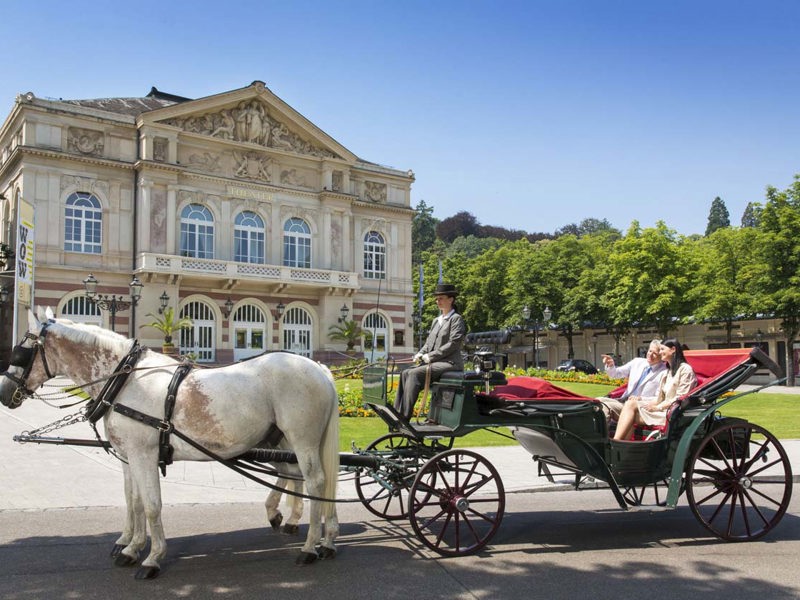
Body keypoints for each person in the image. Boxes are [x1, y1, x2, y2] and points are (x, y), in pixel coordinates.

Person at [394, 283, 466, 420]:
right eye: (436, 299)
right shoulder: (436, 321)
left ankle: (404, 417)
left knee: (415, 373)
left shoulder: (456, 319)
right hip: (436, 362)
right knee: (405, 373)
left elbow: (453, 344)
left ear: (451, 299)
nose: (437, 301)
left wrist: (431, 356)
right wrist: (420, 353)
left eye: (441, 298)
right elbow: (428, 343)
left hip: (450, 363)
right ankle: (397, 413)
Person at [613, 338, 697, 441]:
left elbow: (680, 398)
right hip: (662, 408)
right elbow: (659, 398)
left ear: (673, 349)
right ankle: (621, 445)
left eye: (662, 349)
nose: (660, 352)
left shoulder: (685, 370)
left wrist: (657, 407)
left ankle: (617, 443)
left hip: (672, 413)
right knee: (631, 403)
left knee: (629, 415)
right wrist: (642, 401)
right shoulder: (668, 371)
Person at [598, 340, 666, 424]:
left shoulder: (664, 372)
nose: (650, 355)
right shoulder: (637, 362)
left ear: (661, 355)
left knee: (605, 406)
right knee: (597, 401)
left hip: (638, 408)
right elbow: (616, 373)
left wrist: (640, 399)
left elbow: (660, 398)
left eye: (655, 353)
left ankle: (601, 435)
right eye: (650, 351)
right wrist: (611, 365)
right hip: (623, 400)